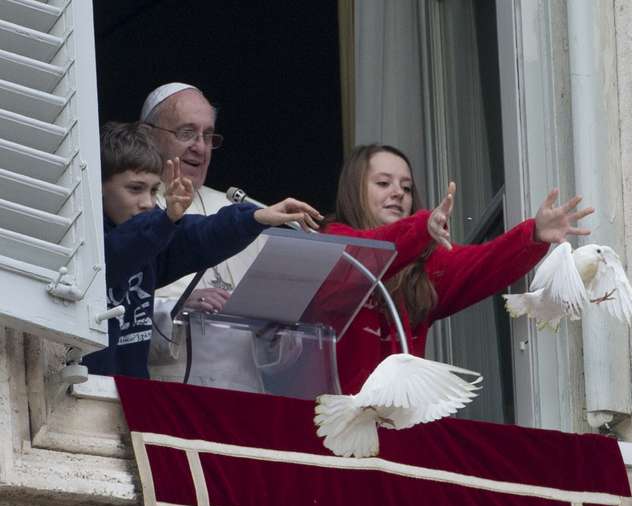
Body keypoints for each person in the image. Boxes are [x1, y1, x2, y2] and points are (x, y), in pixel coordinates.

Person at [322, 143, 593, 395]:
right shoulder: (332, 242)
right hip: (334, 424)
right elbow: (368, 251)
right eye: (383, 183)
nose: (398, 193)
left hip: (397, 426)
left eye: (406, 188)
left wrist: (533, 233)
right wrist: (421, 228)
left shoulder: (423, 267)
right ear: (354, 191)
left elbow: (484, 262)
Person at [82, 122, 320, 379]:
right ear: (98, 186)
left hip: (130, 397)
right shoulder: (84, 245)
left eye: (153, 191)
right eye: (135, 189)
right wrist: (164, 221)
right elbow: (117, 254)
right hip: (83, 393)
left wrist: (257, 218)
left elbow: (203, 235)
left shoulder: (153, 238)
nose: (148, 203)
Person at [139, 83, 260, 381]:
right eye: (186, 133)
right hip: (169, 399)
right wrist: (177, 309)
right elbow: (114, 315)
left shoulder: (238, 211)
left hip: (243, 399)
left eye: (208, 136)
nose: (201, 147)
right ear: (147, 135)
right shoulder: (131, 207)